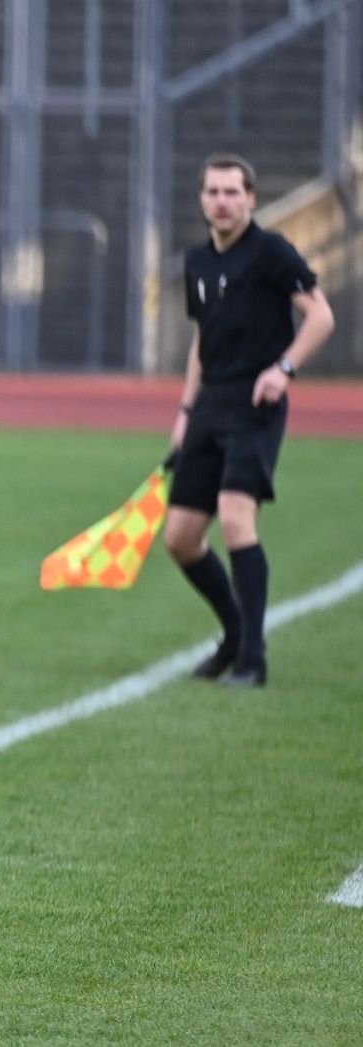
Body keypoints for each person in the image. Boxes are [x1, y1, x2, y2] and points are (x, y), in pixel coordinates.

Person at [166, 152, 335, 688]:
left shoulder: (271, 253)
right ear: (202, 200)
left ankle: (252, 660)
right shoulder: (197, 262)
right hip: (210, 402)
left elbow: (321, 316)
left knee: (237, 518)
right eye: (213, 192)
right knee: (181, 538)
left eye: (232, 192)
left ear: (251, 199)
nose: (222, 202)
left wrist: (283, 369)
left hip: (254, 404)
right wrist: (185, 411)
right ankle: (235, 633)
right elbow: (201, 343)